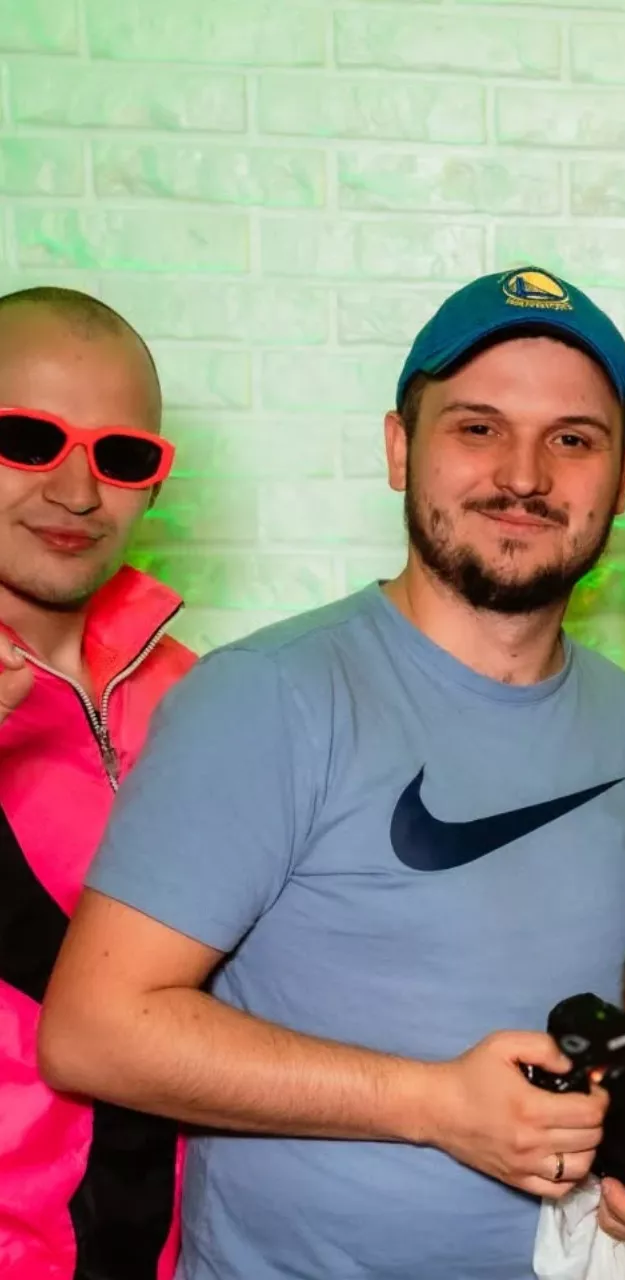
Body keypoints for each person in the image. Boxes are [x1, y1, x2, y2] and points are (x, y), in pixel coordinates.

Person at [38, 267, 625, 1279]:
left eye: (572, 438)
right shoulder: (267, 696)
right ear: (399, 447)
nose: (524, 474)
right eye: (477, 427)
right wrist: (433, 1103)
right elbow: (93, 1030)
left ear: (622, 473)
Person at [0, 287, 192, 1280]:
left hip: (182, 1248)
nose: (77, 492)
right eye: (27, 438)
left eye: (120, 455)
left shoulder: (206, 695)